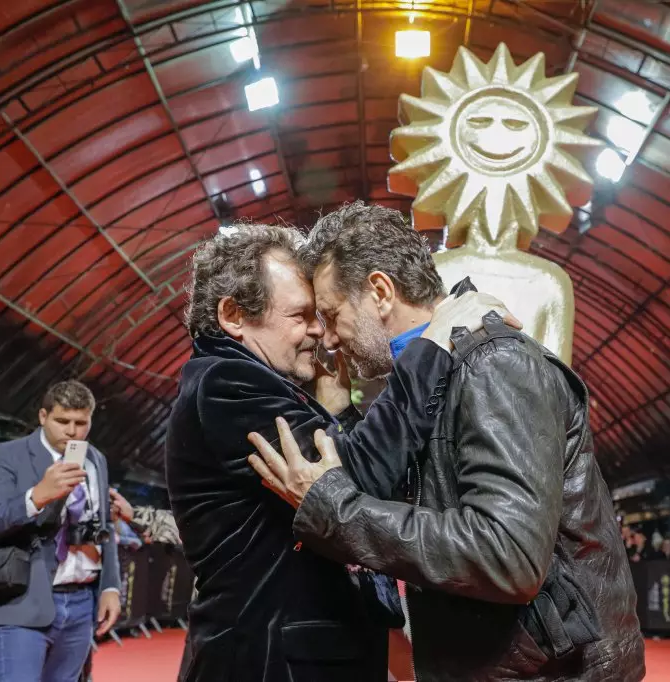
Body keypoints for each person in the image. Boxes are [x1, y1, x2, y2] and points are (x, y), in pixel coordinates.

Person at [248, 202, 645, 682]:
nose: (327, 339)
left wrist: (335, 511)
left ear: (380, 291)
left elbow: (508, 556)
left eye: (332, 315)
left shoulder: (496, 366)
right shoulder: (438, 374)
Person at [165, 221, 513, 682]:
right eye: (300, 316)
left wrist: (335, 412)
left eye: (320, 315)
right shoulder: (226, 384)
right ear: (234, 315)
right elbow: (353, 479)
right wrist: (434, 343)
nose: (319, 333)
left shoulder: (255, 385)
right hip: (271, 663)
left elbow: (343, 476)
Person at [0, 380, 121, 682]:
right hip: (23, 600)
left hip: (80, 604)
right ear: (42, 417)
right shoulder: (8, 455)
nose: (72, 430)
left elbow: (106, 526)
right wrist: (35, 497)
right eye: (62, 421)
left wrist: (110, 588)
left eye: (81, 422)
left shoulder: (95, 459)